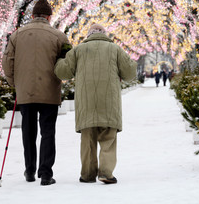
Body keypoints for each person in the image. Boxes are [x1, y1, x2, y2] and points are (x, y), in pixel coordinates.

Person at [54, 23, 137, 184]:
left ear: (89, 35)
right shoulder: (115, 49)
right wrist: (131, 62)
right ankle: (106, 172)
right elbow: (129, 73)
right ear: (104, 34)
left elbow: (63, 72)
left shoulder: (78, 50)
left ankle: (87, 174)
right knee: (108, 138)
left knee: (87, 140)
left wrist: (59, 60)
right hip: (109, 102)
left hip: (86, 103)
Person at [2, 0, 70, 186]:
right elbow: (67, 63)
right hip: (49, 91)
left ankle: (30, 171)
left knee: (28, 131)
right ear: (49, 16)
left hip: (25, 92)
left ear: (32, 16)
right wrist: (62, 79)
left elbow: (7, 61)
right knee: (48, 132)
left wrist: (15, 83)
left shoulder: (16, 35)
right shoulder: (59, 36)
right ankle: (46, 174)